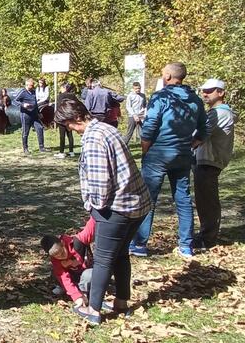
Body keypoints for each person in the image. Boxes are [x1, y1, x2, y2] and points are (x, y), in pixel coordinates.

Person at [54, 97, 152, 325]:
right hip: (138, 204)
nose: (69, 129)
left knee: (103, 259)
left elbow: (100, 184)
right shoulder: (107, 129)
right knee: (120, 254)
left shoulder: (93, 139)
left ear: (76, 117)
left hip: (117, 208)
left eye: (68, 124)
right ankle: (121, 302)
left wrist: (94, 208)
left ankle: (94, 310)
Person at [130, 63, 208, 259]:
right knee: (183, 199)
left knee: (148, 199)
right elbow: (204, 129)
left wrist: (146, 149)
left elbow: (149, 127)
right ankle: (186, 245)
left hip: (158, 154)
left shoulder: (161, 97)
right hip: (183, 155)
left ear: (168, 76)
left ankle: (139, 244)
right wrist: (190, 145)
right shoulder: (195, 99)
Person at [193, 78, 235, 249]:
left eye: (210, 91)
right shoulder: (214, 112)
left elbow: (200, 135)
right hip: (205, 160)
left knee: (208, 201)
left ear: (221, 92)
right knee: (204, 200)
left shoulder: (220, 113)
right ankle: (206, 234)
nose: (205, 94)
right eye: (203, 90)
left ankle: (208, 238)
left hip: (210, 161)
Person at [40, 216, 96, 309]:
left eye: (62, 252)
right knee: (56, 273)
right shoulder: (55, 259)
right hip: (72, 277)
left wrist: (95, 214)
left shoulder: (78, 242)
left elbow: (90, 229)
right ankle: (70, 290)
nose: (61, 257)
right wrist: (76, 296)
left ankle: (84, 293)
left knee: (89, 274)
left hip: (85, 274)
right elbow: (63, 276)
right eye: (57, 256)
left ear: (62, 243)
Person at [13, 78, 45, 154]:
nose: (33, 86)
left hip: (34, 114)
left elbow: (35, 103)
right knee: (25, 132)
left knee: (40, 128)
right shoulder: (23, 92)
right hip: (26, 115)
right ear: (27, 85)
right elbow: (14, 101)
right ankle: (25, 148)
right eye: (31, 85)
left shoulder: (33, 92)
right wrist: (23, 104)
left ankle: (41, 147)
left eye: (33, 85)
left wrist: (38, 113)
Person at [55, 82, 78, 158]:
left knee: (62, 135)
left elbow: (59, 106)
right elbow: (76, 105)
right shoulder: (73, 96)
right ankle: (71, 152)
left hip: (62, 117)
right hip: (70, 117)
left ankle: (61, 152)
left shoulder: (60, 96)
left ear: (64, 88)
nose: (60, 89)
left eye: (61, 88)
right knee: (70, 134)